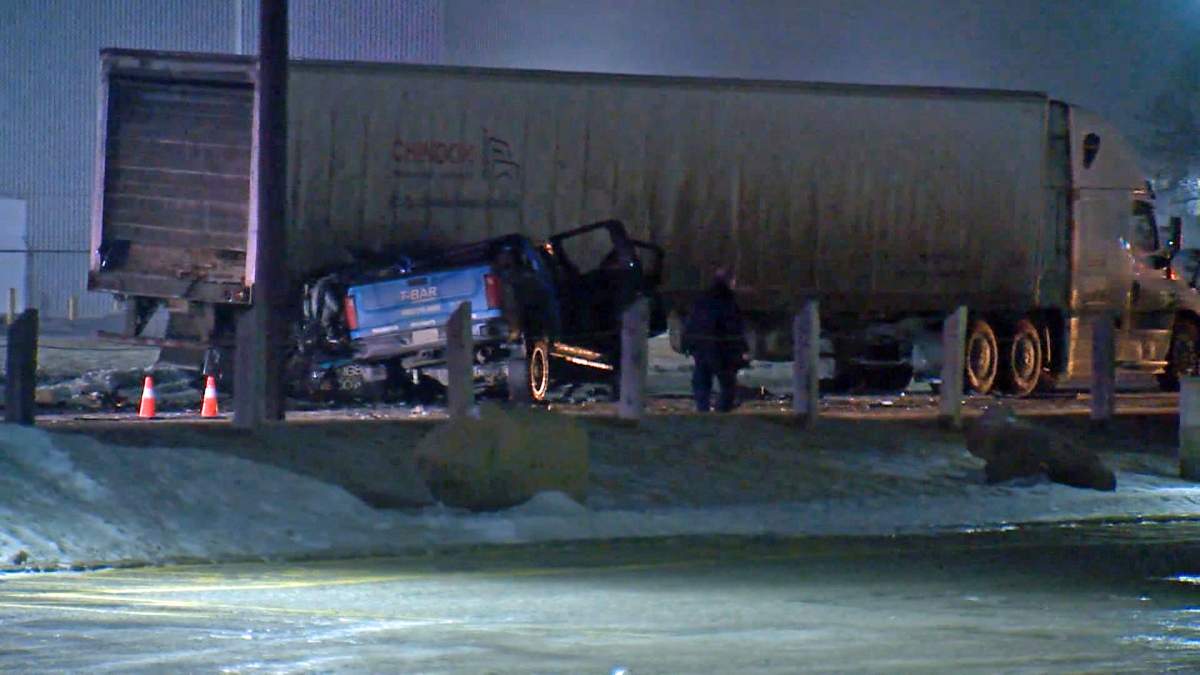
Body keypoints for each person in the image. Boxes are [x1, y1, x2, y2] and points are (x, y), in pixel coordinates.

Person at [683, 267, 748, 412]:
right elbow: (733, 326)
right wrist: (742, 348)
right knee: (727, 383)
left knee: (702, 380)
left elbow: (691, 322)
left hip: (701, 343)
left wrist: (687, 343)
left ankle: (703, 409)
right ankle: (720, 411)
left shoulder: (702, 300)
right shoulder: (728, 301)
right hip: (720, 346)